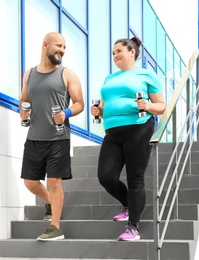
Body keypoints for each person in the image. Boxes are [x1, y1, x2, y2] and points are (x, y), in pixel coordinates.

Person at [90, 36, 166, 241]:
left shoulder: (147, 75)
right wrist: (98, 110)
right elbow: (108, 105)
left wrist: (148, 106)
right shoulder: (109, 78)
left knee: (135, 179)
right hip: (112, 132)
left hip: (138, 128)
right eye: (113, 53)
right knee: (106, 177)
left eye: (118, 51)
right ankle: (127, 204)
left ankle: (133, 227)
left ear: (132, 52)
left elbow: (161, 106)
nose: (115, 55)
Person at [19, 32, 84, 241]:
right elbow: (24, 99)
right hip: (34, 137)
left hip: (58, 137)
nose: (62, 50)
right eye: (58, 46)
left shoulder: (67, 74)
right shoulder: (29, 74)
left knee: (54, 182)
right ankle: (50, 201)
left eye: (64, 47)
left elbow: (79, 103)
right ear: (45, 45)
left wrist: (65, 113)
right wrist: (23, 111)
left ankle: (55, 227)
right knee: (30, 182)